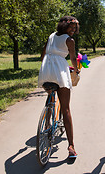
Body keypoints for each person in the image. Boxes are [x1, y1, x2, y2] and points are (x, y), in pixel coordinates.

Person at [38, 16, 80, 159]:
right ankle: (71, 146)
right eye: (71, 28)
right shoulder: (69, 40)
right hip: (59, 71)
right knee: (66, 108)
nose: (73, 31)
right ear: (64, 26)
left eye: (75, 29)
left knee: (50, 96)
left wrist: (44, 65)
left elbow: (43, 53)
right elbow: (73, 58)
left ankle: (47, 124)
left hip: (46, 70)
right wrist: (76, 69)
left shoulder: (51, 36)